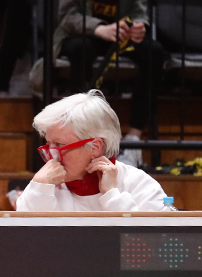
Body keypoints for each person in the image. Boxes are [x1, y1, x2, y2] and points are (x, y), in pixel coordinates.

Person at [51, 0, 165, 167]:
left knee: (154, 52)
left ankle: (133, 141)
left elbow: (139, 14)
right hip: (85, 34)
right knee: (80, 49)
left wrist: (138, 27)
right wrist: (99, 29)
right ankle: (82, 139)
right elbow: (67, 17)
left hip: (123, 36)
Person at [17, 90, 168, 212]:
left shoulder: (139, 185)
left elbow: (150, 245)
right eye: (49, 145)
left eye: (59, 145)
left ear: (95, 147)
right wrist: (39, 189)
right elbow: (25, 243)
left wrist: (111, 196)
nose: (52, 157)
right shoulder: (44, 184)